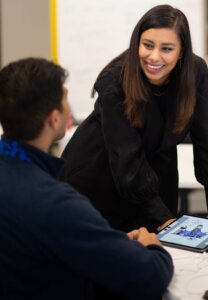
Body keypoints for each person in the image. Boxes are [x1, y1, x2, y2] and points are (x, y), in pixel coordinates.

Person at [0, 57, 173, 300]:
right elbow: (151, 275)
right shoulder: (56, 202)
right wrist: (152, 246)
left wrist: (105, 241)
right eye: (65, 99)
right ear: (54, 119)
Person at [60, 4, 208, 233]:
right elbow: (126, 157)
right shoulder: (114, 80)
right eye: (148, 45)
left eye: (167, 49)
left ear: (182, 51)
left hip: (155, 173)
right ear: (137, 43)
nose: (154, 57)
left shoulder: (195, 72)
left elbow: (206, 141)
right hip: (99, 174)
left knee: (165, 250)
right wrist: (163, 217)